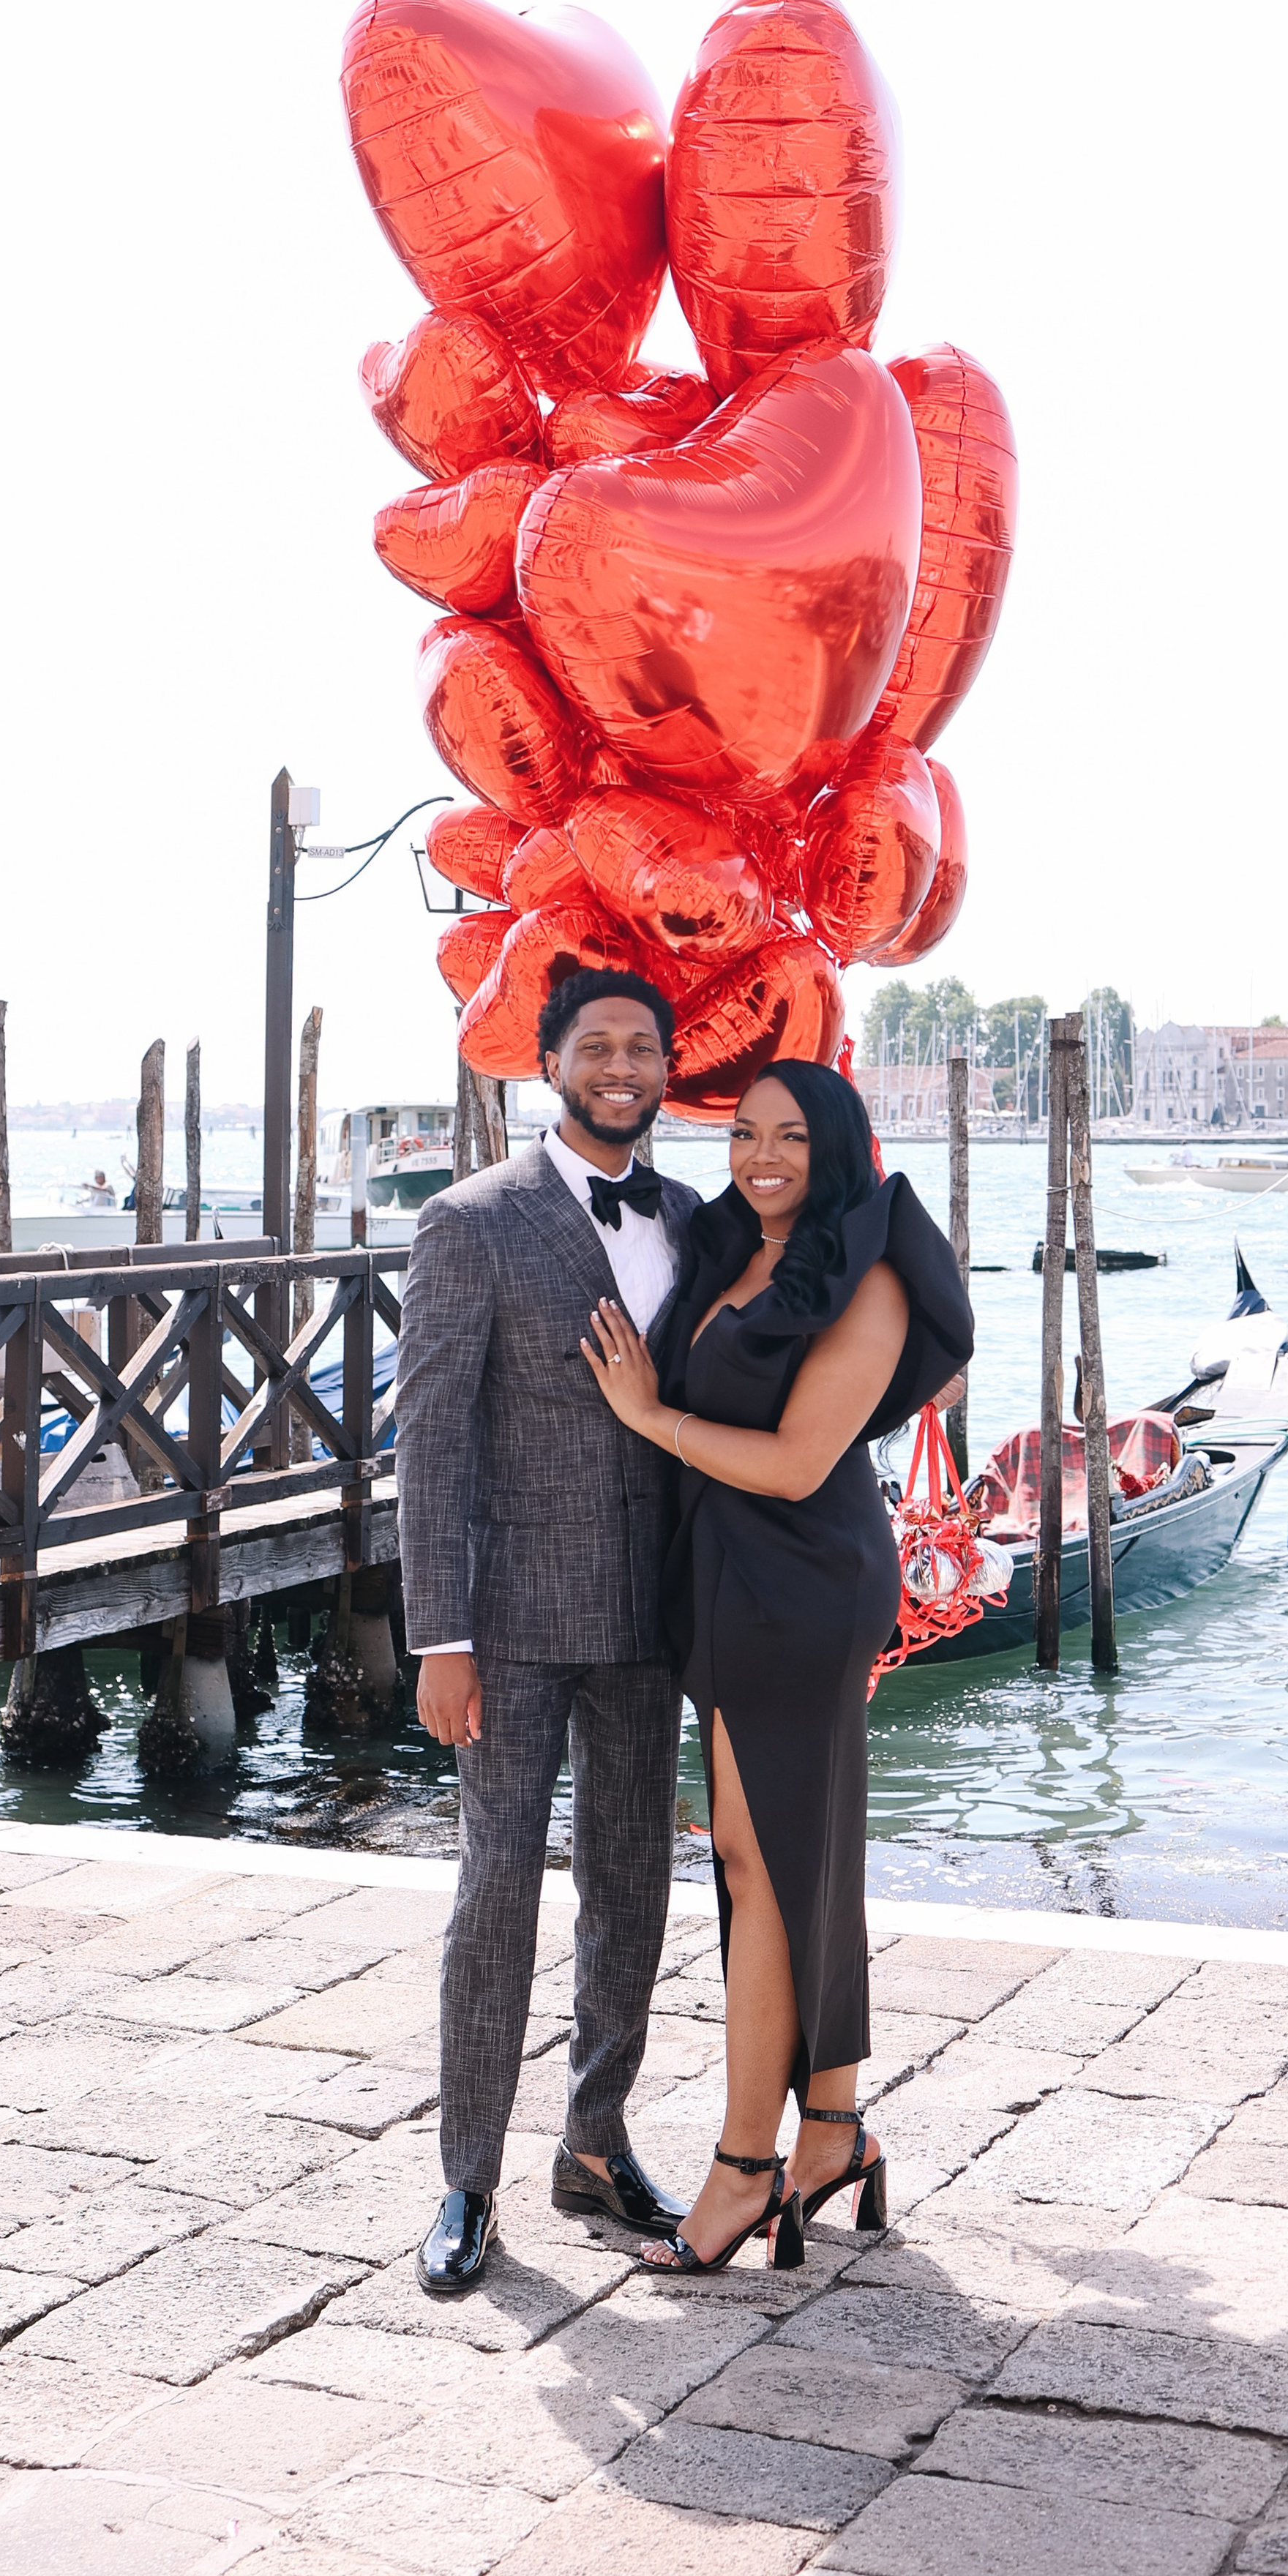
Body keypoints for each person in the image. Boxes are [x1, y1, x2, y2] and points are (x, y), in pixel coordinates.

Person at [580, 1058, 972, 2274]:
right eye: (744, 1132)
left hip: (803, 1578)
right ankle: (835, 2130)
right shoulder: (730, 1249)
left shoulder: (874, 1275)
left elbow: (802, 1461)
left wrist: (649, 1418)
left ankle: (747, 2167)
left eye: (792, 1136)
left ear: (838, 1145)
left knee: (759, 1869)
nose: (760, 1156)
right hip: (728, 1577)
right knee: (798, 1861)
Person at [394, 970, 702, 2296]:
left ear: (668, 1067)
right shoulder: (470, 1224)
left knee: (632, 1885)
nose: (620, 1065)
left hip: (652, 1619)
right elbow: (429, 1444)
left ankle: (593, 2140)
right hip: (508, 1623)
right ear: (551, 1062)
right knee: (496, 1893)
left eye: (642, 1047)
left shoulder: (698, 1219)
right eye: (598, 1046)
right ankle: (467, 2178)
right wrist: (436, 1635)